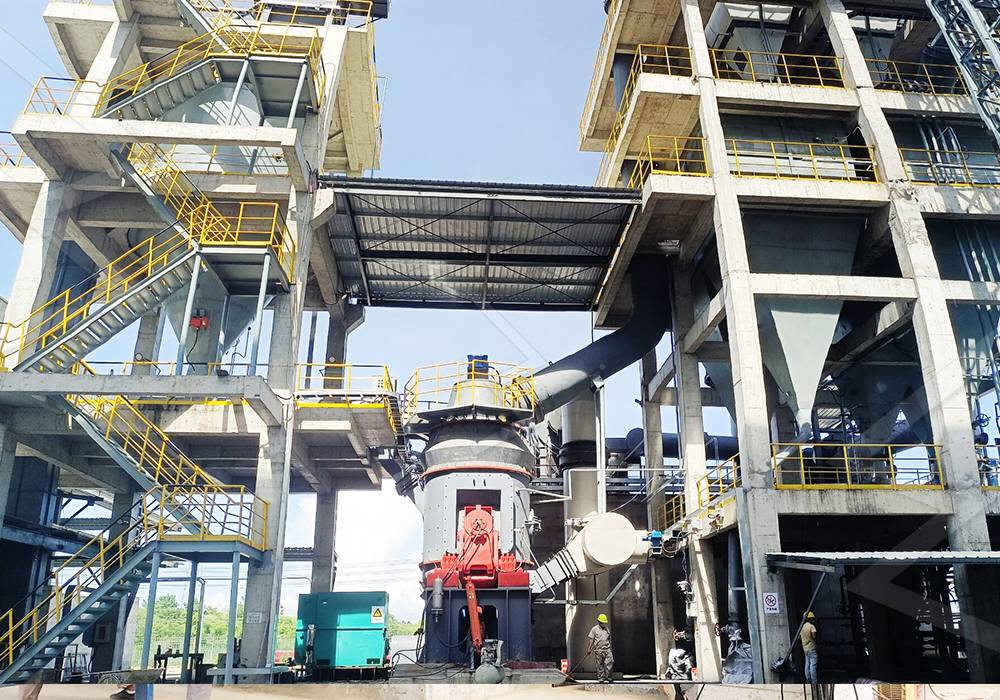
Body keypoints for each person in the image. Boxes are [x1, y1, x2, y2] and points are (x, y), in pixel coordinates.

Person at [587, 613, 614, 683]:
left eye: (604, 622)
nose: (604, 624)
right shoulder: (594, 629)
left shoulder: (607, 629)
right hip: (598, 650)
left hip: (607, 649)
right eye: (603, 622)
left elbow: (608, 639)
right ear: (599, 622)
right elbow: (591, 639)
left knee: (610, 662)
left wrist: (609, 647)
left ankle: (609, 677)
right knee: (600, 665)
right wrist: (589, 649)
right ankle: (601, 678)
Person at [800, 611, 819, 687]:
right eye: (812, 619)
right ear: (810, 619)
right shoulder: (812, 626)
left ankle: (808, 682)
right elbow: (814, 637)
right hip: (812, 648)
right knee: (813, 666)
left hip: (805, 649)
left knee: (807, 665)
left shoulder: (803, 627)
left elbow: (799, 637)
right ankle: (814, 683)